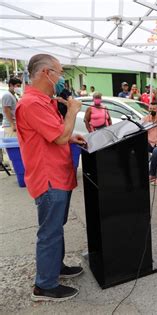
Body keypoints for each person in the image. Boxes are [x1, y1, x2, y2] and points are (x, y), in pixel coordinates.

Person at [16, 54, 86, 301]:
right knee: (50, 232)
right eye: (60, 71)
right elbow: (58, 137)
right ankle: (44, 285)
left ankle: (57, 267)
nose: (62, 77)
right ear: (47, 73)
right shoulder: (31, 104)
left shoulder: (44, 101)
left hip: (59, 174)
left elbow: (59, 134)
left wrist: (72, 134)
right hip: (49, 178)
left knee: (57, 227)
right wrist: (73, 112)